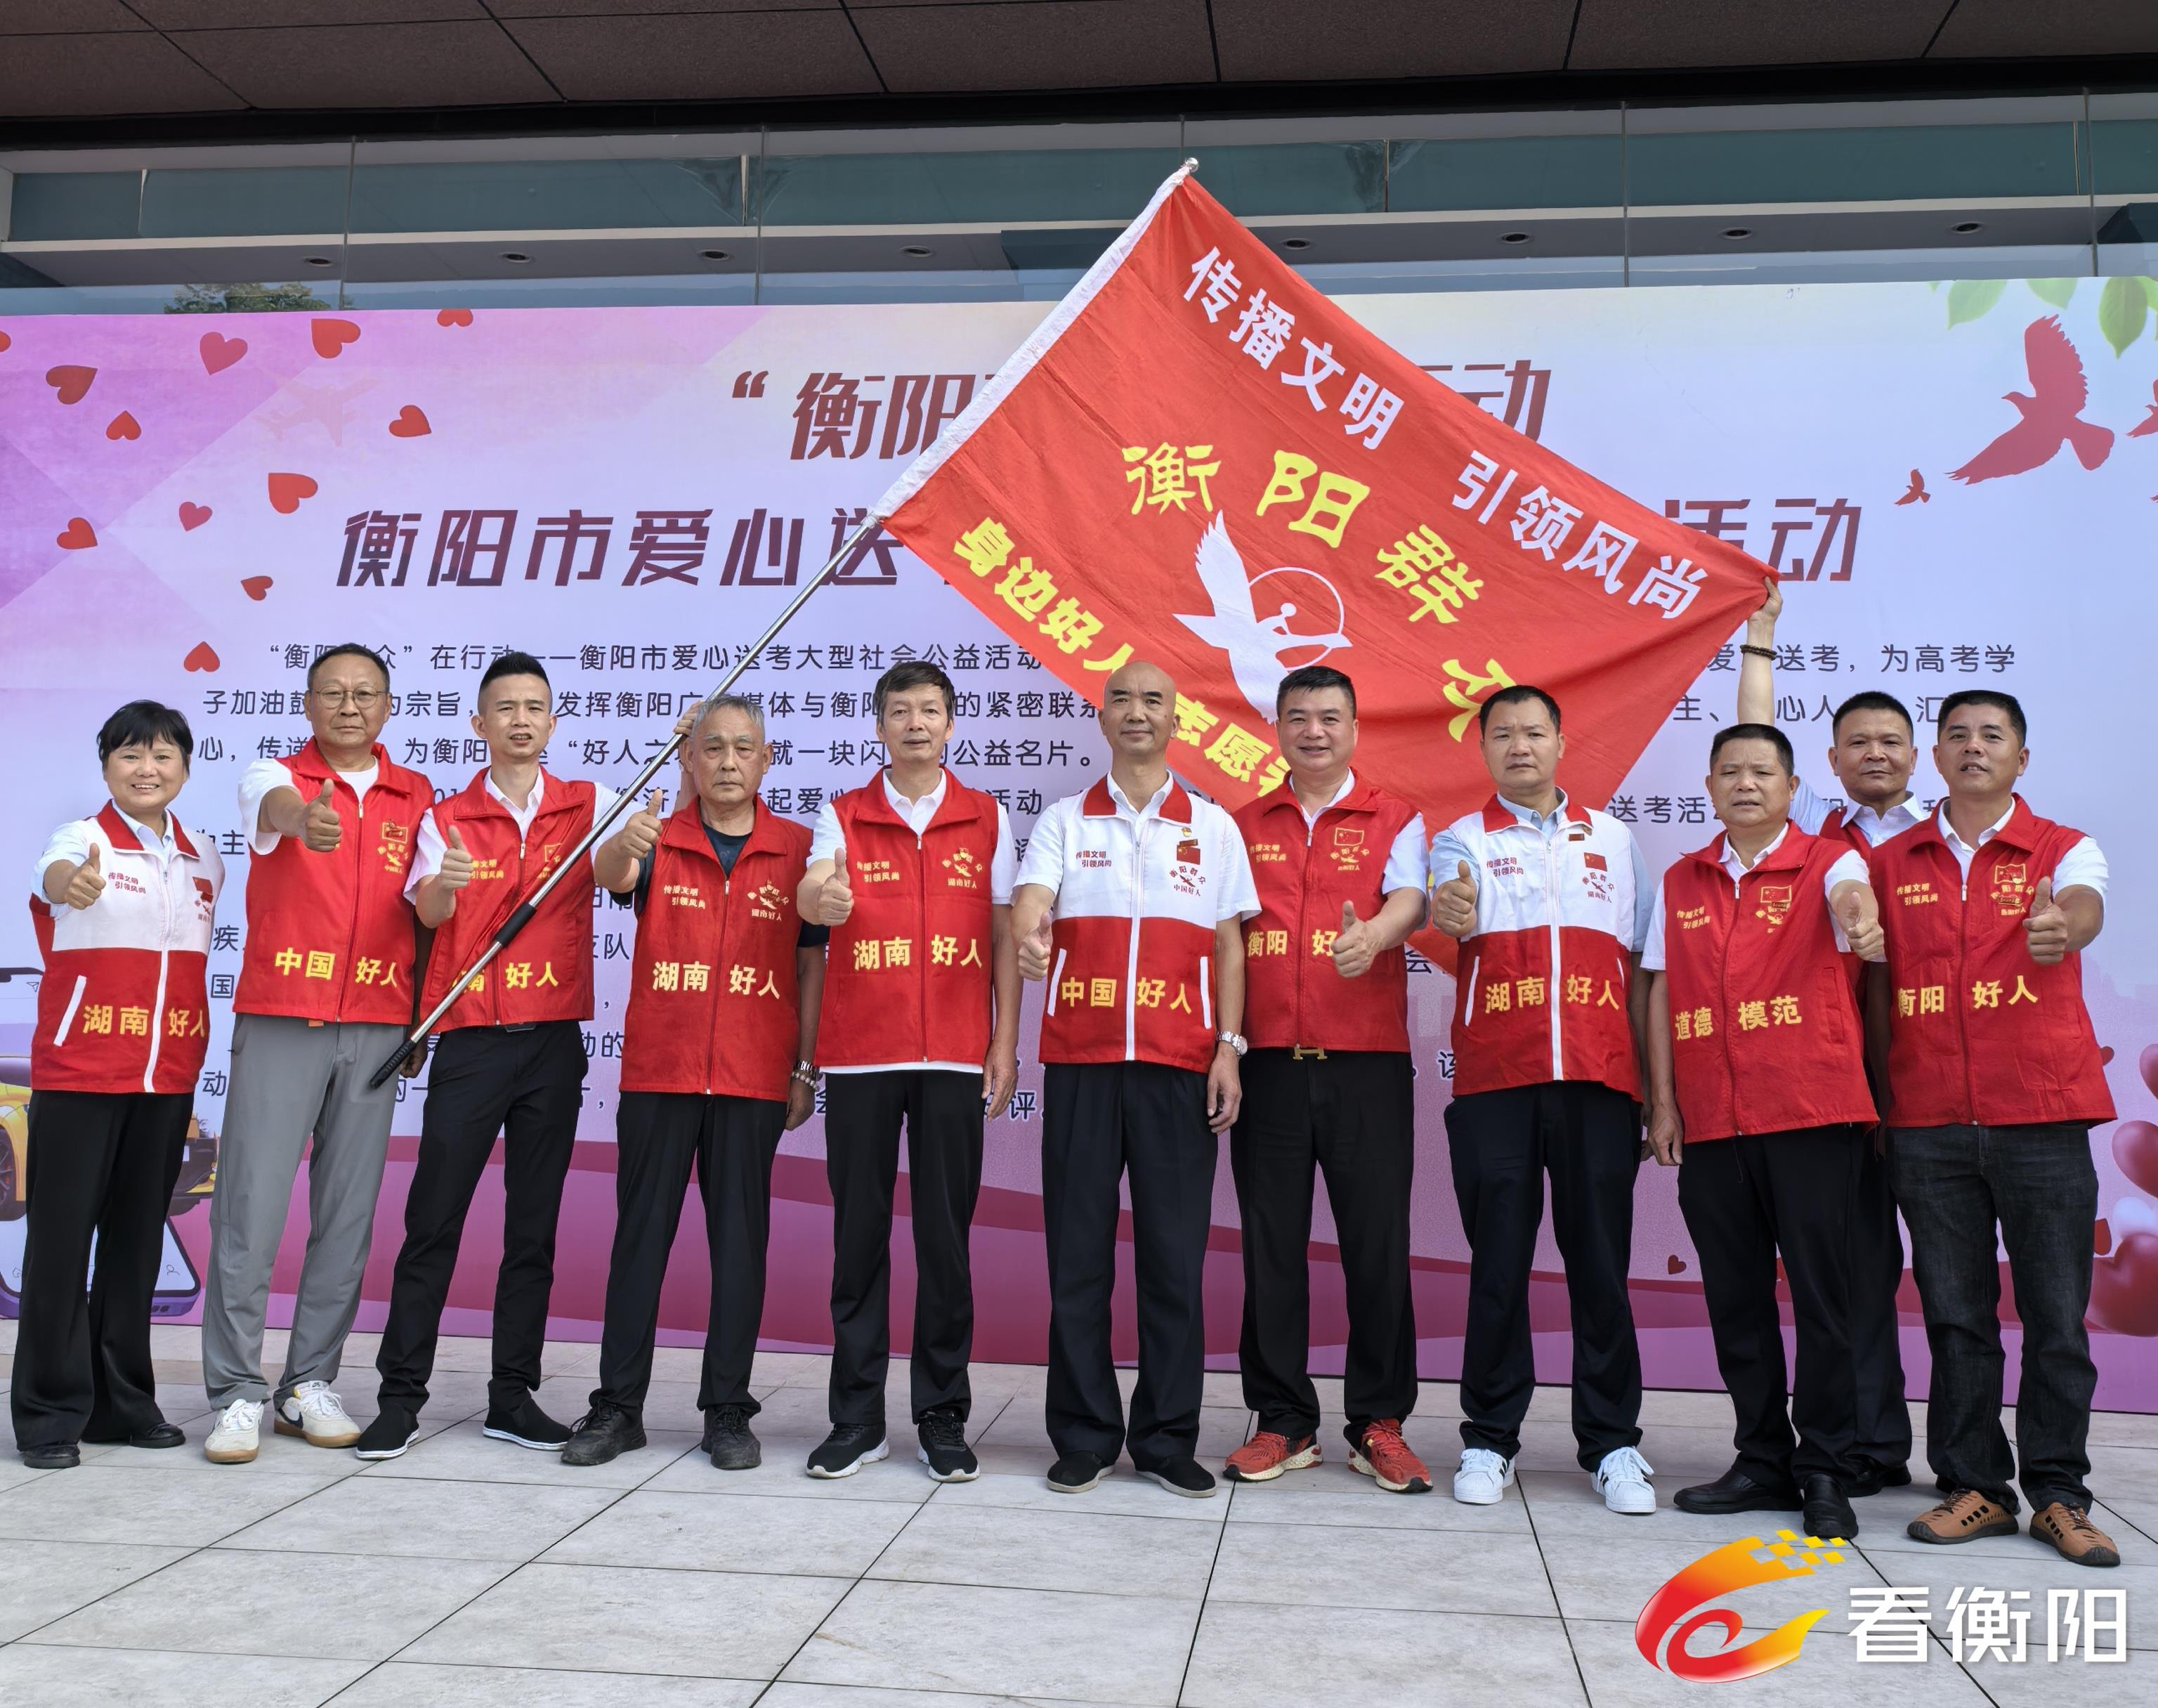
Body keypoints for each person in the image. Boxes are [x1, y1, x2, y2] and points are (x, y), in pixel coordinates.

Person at [356, 653, 652, 1460]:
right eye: (506, 707)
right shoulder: (447, 816)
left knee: (533, 1229)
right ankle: (400, 1398)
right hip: (471, 1042)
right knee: (433, 1221)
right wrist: (446, 884)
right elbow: (426, 911)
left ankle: (511, 1395)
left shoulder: (588, 803)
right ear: (479, 723)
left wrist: (627, 844)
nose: (521, 719)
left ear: (552, 721)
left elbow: (617, 875)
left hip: (552, 1040)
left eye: (534, 706)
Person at [1869, 691, 2120, 1567]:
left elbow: (2083, 906)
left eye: (1993, 735)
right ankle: (1974, 1484)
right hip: (1927, 1120)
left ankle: (2059, 1493)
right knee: (1956, 1315)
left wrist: (2061, 929)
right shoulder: (1891, 860)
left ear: (2021, 756)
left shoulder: (2063, 847)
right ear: (1934, 757)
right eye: (1958, 735)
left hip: (2041, 1115)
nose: (1974, 747)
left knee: (2055, 1317)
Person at [1011, 659, 1257, 1499]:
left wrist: (1228, 1047)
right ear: (1103, 717)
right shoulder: (1064, 819)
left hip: (1179, 1068)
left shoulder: (1213, 827)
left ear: (1176, 719)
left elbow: (1229, 945)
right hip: (1081, 1065)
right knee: (1078, 1259)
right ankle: (1083, 1435)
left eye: (1154, 699)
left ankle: (1165, 1438)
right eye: (1121, 698)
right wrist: (1033, 936)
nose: (1137, 711)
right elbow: (1032, 903)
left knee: (1173, 1263)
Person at [562, 692, 825, 1471]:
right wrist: (624, 840)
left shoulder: (799, 848)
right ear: (689, 758)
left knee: (739, 1248)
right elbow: (610, 873)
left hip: (753, 1076)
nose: (728, 762)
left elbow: (811, 966)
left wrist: (804, 1067)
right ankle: (618, 1407)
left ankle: (728, 1409)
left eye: (744, 748)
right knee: (639, 1242)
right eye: (713, 748)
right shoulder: (658, 836)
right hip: (661, 1072)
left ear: (767, 759)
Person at [1642, 723, 1885, 1544]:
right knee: (1736, 1300)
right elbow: (1661, 989)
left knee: (1823, 1300)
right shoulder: (1682, 878)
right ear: (1710, 788)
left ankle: (1828, 1467)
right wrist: (1664, 1103)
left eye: (1762, 772)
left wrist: (1862, 920)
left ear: (1790, 789)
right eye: (1730, 772)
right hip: (1713, 1121)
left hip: (1811, 1113)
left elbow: (1853, 900)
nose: (1745, 784)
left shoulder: (1829, 861)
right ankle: (1761, 1458)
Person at [1428, 684, 1656, 1515]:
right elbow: (1448, 905)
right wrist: (1453, 905)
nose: (1519, 746)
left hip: (1600, 1081)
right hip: (1497, 1081)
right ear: (1484, 749)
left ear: (1561, 742)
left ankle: (1613, 1443)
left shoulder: (1615, 840)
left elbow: (1642, 968)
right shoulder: (1461, 839)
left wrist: (1654, 1092)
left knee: (1601, 1268)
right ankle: (1489, 1439)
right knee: (1498, 1267)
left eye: (1533, 732)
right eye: (1502, 735)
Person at [202, 644, 431, 1466]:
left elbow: (428, 913)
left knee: (346, 1212)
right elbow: (273, 809)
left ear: (388, 707)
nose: (349, 705)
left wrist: (420, 1019)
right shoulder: (277, 776)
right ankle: (237, 1390)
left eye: (366, 693)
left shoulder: (418, 796)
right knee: (251, 1205)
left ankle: (308, 1383)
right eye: (333, 692)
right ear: (308, 704)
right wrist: (304, 818)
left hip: (377, 1024)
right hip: (282, 1016)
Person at [797, 660, 1019, 1482]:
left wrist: (1004, 1042)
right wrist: (821, 898)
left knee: (944, 1243)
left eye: (930, 710)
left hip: (956, 1055)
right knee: (857, 1239)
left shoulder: (987, 817)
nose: (916, 723)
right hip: (862, 1055)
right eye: (900, 711)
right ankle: (856, 1417)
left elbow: (1004, 934)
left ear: (951, 724)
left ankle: (941, 1414)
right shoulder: (842, 814)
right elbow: (813, 893)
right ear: (880, 726)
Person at [1221, 665, 1432, 1493]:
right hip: (1268, 1063)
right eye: (1299, 717)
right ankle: (1284, 1420)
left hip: (1367, 1064)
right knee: (1271, 1246)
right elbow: (1223, 935)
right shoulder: (1241, 825)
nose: (1314, 731)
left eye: (1330, 717)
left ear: (1354, 728)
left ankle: (1379, 1422)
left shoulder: (1395, 816)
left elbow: (1411, 898)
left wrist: (1373, 935)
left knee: (1376, 1247)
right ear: (1277, 728)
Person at [1737, 578, 1916, 1492]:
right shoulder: (1814, 830)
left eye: (1891, 740)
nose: (1875, 753)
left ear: (1918, 754)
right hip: (1840, 1077)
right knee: (1857, 1264)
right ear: (1833, 760)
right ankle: (1866, 1444)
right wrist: (1760, 641)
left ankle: (1946, 1453)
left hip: (1933, 1071)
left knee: (1934, 1274)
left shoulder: (1947, 834)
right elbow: (1755, 743)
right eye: (1858, 742)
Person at [14, 703, 224, 1468]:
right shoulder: (81, 840)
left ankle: (123, 1405)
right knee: (61, 1245)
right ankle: (48, 1414)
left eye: (163, 756)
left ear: (186, 769)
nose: (147, 769)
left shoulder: (204, 857)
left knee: (136, 1245)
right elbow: (52, 878)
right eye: (130, 755)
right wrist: (70, 883)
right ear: (106, 766)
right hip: (81, 1072)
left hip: (166, 1077)